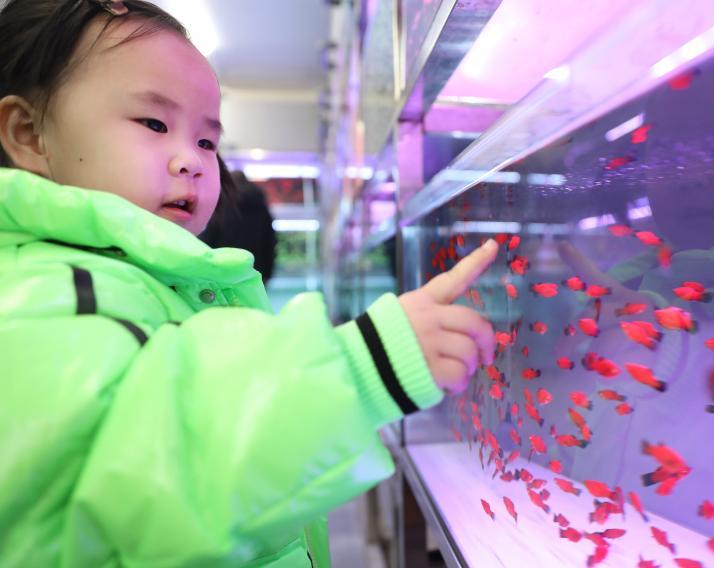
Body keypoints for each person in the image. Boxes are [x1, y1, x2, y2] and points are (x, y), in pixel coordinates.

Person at [0, 1, 496, 566]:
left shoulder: (148, 286)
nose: (191, 159)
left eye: (209, 142)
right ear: (30, 135)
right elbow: (137, 494)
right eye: (154, 123)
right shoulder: (46, 296)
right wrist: (361, 370)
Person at [200, 169, 277, 284]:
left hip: (225, 267)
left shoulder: (222, 205)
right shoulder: (260, 205)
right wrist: (268, 272)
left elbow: (210, 237)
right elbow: (270, 240)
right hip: (255, 268)